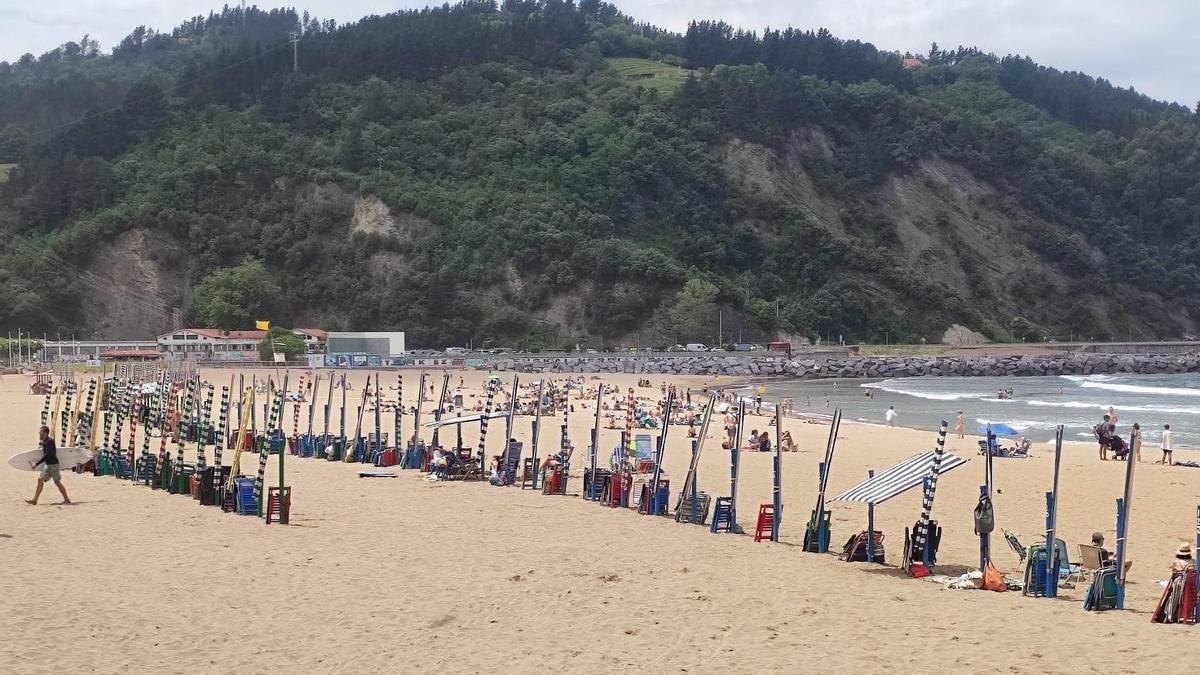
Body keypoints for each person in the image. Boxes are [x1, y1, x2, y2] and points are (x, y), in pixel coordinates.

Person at [27, 425, 70, 505]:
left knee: (57, 482)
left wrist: (36, 463)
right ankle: (35, 500)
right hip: (47, 465)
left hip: (54, 465)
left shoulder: (50, 441)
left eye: (40, 432)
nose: (39, 433)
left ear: (45, 433)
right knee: (40, 480)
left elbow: (48, 454)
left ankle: (67, 499)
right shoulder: (45, 442)